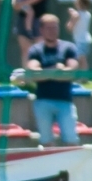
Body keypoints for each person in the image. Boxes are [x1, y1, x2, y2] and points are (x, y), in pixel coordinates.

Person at [23, 14, 80, 147]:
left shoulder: (68, 48)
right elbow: (34, 73)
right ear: (41, 30)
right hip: (43, 100)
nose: (52, 31)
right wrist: (56, 70)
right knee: (46, 141)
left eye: (55, 27)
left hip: (65, 101)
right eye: (49, 28)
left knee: (71, 140)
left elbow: (71, 72)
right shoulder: (35, 50)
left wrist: (46, 73)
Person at [67, 0, 92, 65]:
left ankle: (85, 73)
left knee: (81, 60)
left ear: (79, 2)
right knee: (82, 59)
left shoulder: (76, 15)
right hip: (86, 40)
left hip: (80, 41)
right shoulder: (88, 14)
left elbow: (69, 27)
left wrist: (71, 17)